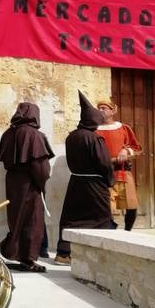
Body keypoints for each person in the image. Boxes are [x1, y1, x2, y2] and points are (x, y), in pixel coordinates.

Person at [55, 91, 115, 265]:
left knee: (71, 218)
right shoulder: (94, 139)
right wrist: (109, 181)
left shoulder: (71, 137)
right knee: (101, 217)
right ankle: (100, 256)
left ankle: (63, 253)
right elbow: (104, 163)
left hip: (76, 182)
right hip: (95, 185)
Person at [0, 102, 54, 273]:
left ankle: (13, 252)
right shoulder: (34, 135)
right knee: (32, 220)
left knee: (16, 219)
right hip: (29, 182)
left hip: (12, 181)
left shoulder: (8, 133)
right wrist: (43, 183)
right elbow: (40, 166)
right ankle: (28, 258)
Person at [96, 98, 143, 231]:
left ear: (113, 111)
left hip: (123, 172)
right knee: (106, 208)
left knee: (132, 205)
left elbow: (137, 147)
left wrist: (126, 150)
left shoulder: (123, 128)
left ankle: (128, 231)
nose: (100, 111)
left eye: (104, 108)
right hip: (104, 175)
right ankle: (111, 232)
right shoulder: (94, 130)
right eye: (98, 109)